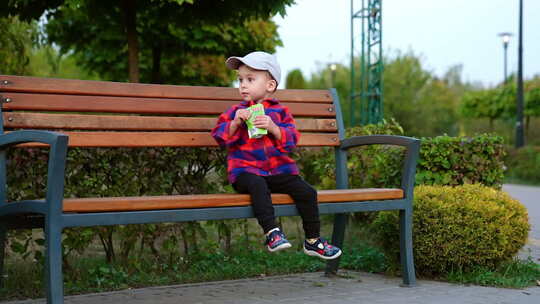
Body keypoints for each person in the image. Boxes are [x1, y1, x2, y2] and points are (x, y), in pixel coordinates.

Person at [211, 51, 342, 260]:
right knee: (258, 185)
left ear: (270, 85)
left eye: (250, 79)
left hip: (277, 171)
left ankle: (313, 240)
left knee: (307, 192)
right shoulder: (235, 111)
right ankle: (272, 232)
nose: (243, 85)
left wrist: (274, 128)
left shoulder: (280, 113)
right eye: (240, 80)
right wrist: (235, 123)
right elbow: (219, 136)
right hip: (245, 172)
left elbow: (291, 141)